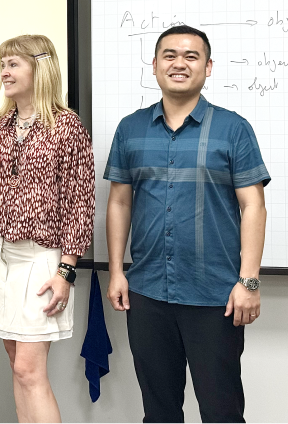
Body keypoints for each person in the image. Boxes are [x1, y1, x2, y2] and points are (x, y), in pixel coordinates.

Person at [105, 25, 269, 424]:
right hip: (147, 293)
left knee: (221, 411)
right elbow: (120, 202)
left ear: (208, 67)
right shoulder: (130, 128)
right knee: (159, 412)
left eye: (191, 56)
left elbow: (254, 206)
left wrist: (249, 281)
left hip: (216, 297)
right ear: (155, 64)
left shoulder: (233, 129)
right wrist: (116, 271)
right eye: (170, 55)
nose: (180, 63)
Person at [0, 34, 95, 424]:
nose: (4, 72)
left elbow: (81, 202)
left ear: (39, 68)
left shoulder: (67, 126)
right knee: (17, 365)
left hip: (42, 259)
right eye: (2, 64)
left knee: (30, 370)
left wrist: (66, 271)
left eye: (13, 64)